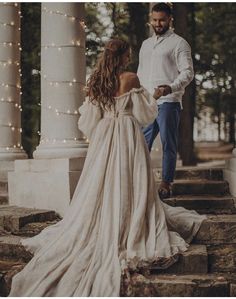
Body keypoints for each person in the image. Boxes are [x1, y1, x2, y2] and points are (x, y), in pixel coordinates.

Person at [9, 39, 206, 297]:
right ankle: (129, 220)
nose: (129, 58)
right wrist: (154, 95)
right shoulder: (131, 78)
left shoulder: (96, 81)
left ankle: (109, 216)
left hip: (104, 136)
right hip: (126, 133)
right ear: (124, 55)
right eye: (128, 54)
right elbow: (146, 114)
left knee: (101, 181)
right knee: (131, 180)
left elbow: (89, 120)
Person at [137, 3, 194, 199]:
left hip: (169, 101)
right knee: (140, 142)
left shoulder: (179, 43)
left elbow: (188, 72)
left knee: (168, 143)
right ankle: (139, 180)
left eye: (161, 20)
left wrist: (171, 87)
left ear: (170, 19)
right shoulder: (145, 44)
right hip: (148, 102)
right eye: (154, 19)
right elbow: (140, 73)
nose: (157, 23)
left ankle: (166, 182)